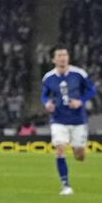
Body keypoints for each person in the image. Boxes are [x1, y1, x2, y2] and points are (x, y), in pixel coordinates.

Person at [41, 46, 97, 195]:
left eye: (65, 54)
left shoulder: (79, 74)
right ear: (53, 59)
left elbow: (92, 90)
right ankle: (66, 185)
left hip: (78, 119)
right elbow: (44, 95)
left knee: (80, 155)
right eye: (59, 55)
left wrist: (81, 101)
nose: (63, 57)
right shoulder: (48, 78)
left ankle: (76, 147)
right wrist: (47, 103)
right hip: (58, 119)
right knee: (60, 149)